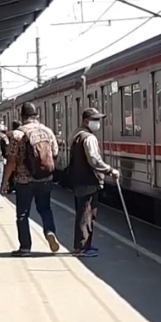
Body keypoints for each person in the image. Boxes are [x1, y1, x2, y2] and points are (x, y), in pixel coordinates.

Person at [2, 103, 60, 256]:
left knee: (23, 214)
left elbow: (11, 160)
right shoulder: (47, 131)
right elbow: (54, 153)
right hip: (45, 178)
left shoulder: (17, 134)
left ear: (22, 117)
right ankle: (49, 232)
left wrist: (5, 181)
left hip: (24, 180)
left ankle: (25, 248)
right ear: (36, 116)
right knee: (45, 209)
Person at [68, 108, 119, 257]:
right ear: (86, 121)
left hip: (78, 179)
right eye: (95, 120)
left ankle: (83, 245)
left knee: (83, 212)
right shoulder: (89, 138)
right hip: (88, 180)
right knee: (86, 213)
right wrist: (110, 170)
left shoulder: (76, 135)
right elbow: (94, 160)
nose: (98, 123)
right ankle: (82, 247)